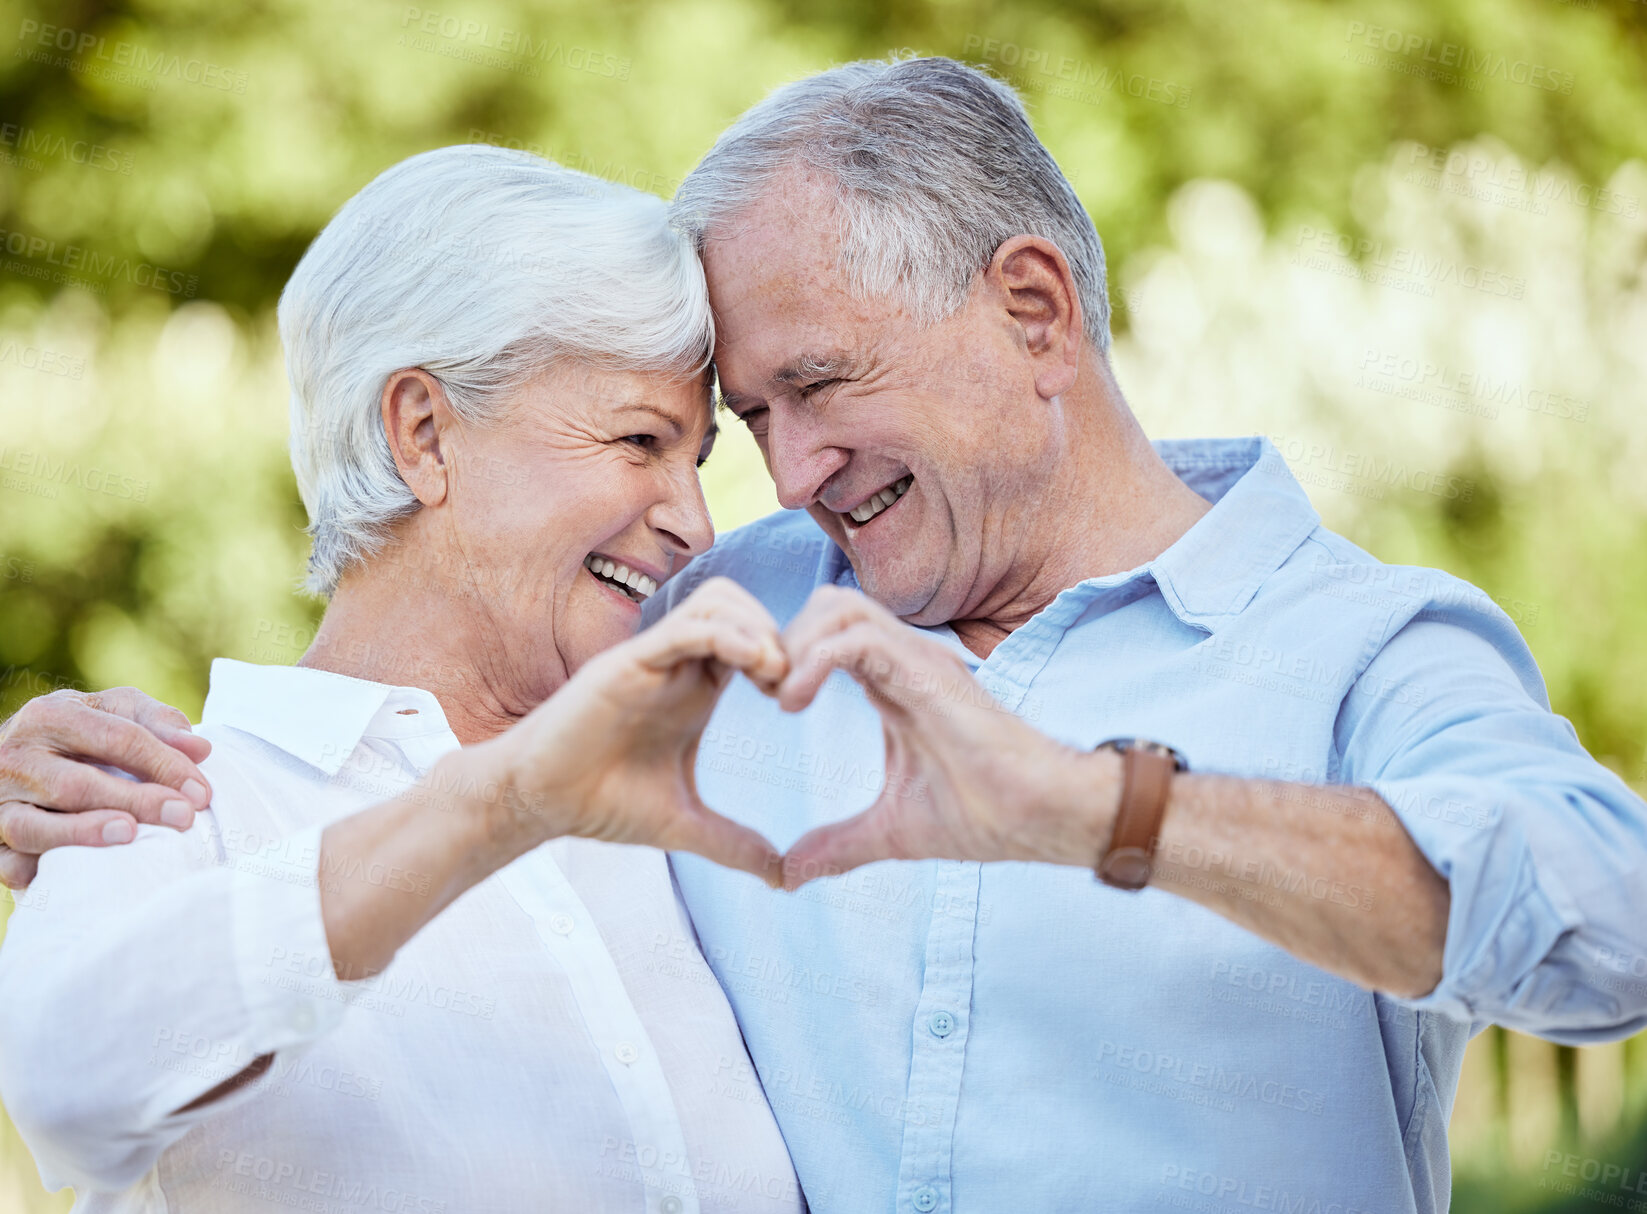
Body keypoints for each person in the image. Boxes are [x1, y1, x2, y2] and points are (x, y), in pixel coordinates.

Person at [6, 56, 1647, 1213]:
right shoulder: (729, 642)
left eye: (820, 387)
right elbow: (409, 686)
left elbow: (1610, 931)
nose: (780, 478)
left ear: (1030, 310)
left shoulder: (1358, 647)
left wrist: (1102, 807)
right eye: (741, 420)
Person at [0, 144, 806, 1213]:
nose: (693, 521)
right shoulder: (167, 795)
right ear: (424, 434)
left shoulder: (690, 793)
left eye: (696, 458)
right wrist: (490, 803)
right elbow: (65, 1088)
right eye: (638, 439)